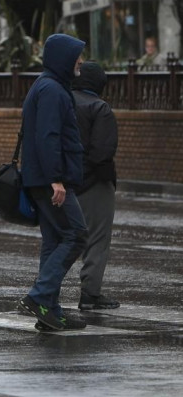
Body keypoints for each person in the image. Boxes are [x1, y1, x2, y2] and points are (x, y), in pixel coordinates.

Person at [18, 33, 89, 332]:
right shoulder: (51, 90)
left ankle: (50, 311)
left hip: (43, 178)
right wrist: (56, 179)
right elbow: (48, 138)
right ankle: (38, 296)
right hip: (50, 181)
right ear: (63, 58)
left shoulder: (49, 86)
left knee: (54, 241)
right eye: (77, 56)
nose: (81, 62)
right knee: (76, 234)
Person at [71, 61, 120, 311]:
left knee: (64, 238)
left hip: (64, 182)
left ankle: (44, 289)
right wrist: (105, 178)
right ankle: (90, 293)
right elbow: (102, 152)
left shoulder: (64, 102)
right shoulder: (99, 108)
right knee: (97, 238)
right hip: (94, 183)